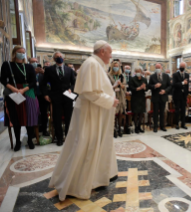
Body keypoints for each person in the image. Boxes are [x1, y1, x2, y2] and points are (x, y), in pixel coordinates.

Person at [49, 40, 119, 201]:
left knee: (94, 145)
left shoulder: (95, 64)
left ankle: (95, 179)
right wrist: (110, 101)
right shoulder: (92, 64)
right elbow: (89, 93)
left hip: (96, 112)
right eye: (110, 52)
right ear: (102, 51)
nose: (111, 56)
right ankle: (78, 184)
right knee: (87, 145)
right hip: (90, 113)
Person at [0, 46, 39, 151]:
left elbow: (33, 82)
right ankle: (17, 141)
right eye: (19, 52)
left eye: (23, 52)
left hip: (27, 92)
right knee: (15, 117)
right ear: (14, 53)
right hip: (13, 93)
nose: (22, 54)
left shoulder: (29, 67)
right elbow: (3, 79)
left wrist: (23, 90)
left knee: (29, 118)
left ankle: (30, 140)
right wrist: (14, 89)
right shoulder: (7, 65)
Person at [41, 51, 75, 146]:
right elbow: (44, 84)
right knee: (57, 118)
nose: (59, 57)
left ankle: (68, 137)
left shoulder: (69, 70)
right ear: (54, 59)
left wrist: (70, 89)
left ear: (63, 58)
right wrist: (45, 94)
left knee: (69, 118)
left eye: (60, 56)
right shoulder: (49, 70)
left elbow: (74, 83)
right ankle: (59, 138)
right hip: (55, 97)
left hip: (68, 97)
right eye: (57, 56)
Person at [29, 57, 50, 136]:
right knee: (32, 114)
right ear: (29, 63)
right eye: (33, 62)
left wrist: (44, 73)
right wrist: (34, 72)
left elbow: (48, 82)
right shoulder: (28, 71)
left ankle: (44, 130)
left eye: (36, 61)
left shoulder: (42, 73)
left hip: (42, 96)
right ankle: (33, 132)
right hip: (32, 95)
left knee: (44, 114)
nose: (35, 63)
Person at [149, 63, 171, 132]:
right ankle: (155, 126)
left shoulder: (166, 76)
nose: (158, 69)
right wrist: (155, 86)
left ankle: (162, 126)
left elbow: (170, 86)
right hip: (156, 97)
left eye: (159, 67)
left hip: (163, 96)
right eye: (156, 68)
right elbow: (149, 86)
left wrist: (165, 91)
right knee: (155, 112)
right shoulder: (152, 76)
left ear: (161, 68)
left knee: (162, 112)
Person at [108, 60, 127, 137]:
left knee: (120, 113)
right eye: (115, 66)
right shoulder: (109, 76)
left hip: (121, 95)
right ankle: (114, 129)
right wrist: (114, 86)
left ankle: (120, 128)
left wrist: (121, 84)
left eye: (117, 66)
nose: (116, 68)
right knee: (114, 113)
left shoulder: (122, 76)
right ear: (112, 67)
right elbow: (107, 86)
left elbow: (124, 86)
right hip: (113, 95)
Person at [129, 66, 147, 134]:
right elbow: (131, 88)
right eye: (137, 71)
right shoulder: (132, 79)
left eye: (139, 71)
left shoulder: (144, 79)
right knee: (136, 113)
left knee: (141, 113)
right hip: (135, 97)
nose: (138, 73)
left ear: (141, 72)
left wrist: (144, 88)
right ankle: (136, 127)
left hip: (142, 97)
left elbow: (147, 87)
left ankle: (139, 127)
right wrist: (139, 88)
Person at [172, 62, 189, 130]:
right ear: (179, 67)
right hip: (177, 94)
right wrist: (182, 83)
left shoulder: (187, 75)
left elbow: (187, 85)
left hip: (183, 95)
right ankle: (177, 124)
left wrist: (186, 93)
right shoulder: (175, 74)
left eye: (183, 66)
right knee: (177, 110)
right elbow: (174, 84)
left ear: (185, 67)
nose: (182, 67)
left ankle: (183, 124)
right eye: (181, 66)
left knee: (183, 110)